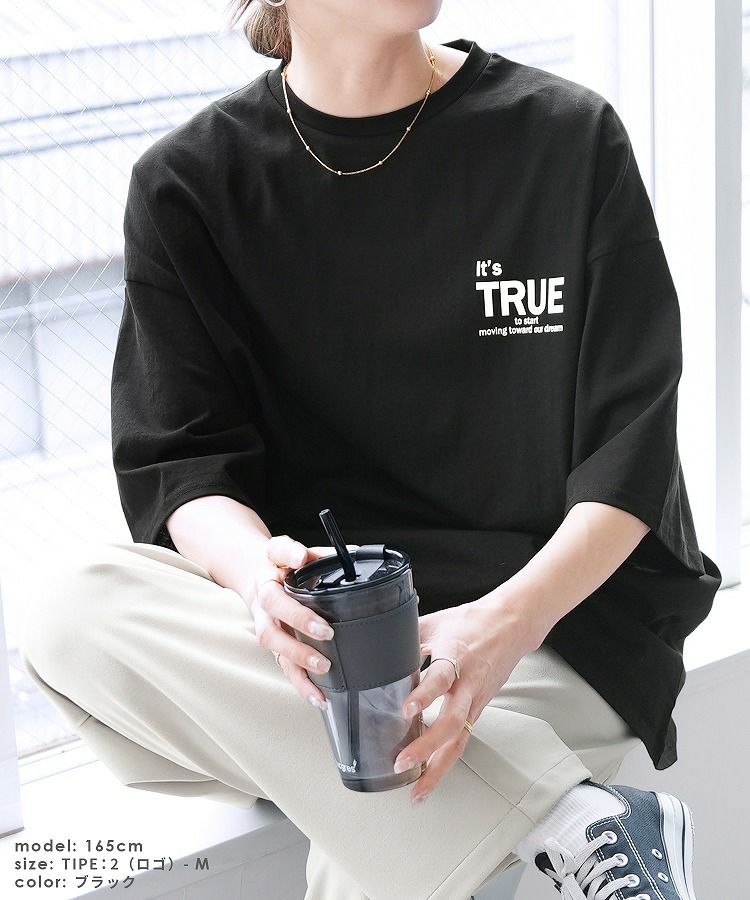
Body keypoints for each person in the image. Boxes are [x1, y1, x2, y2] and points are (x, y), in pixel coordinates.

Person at [19, 1, 722, 898]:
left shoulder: (565, 138)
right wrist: (257, 580)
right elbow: (182, 463)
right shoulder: (188, 184)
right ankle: (569, 816)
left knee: (374, 858)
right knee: (74, 612)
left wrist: (502, 627)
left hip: (555, 623)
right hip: (336, 642)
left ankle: (479, 785)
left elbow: (633, 456)